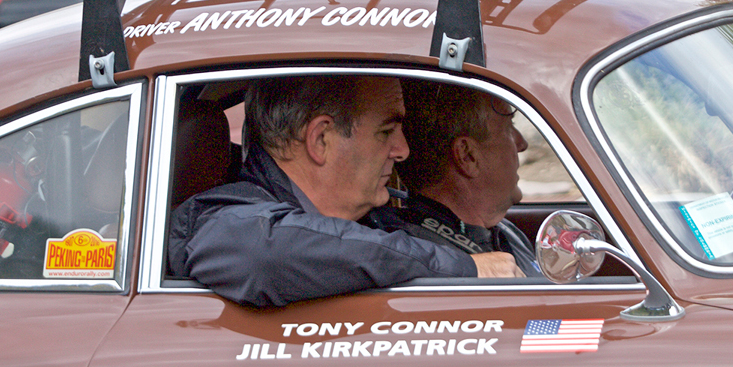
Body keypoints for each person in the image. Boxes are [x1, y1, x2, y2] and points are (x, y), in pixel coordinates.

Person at [168, 75, 521, 307]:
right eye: (386, 132)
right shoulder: (224, 221)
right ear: (321, 140)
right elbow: (264, 254)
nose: (403, 150)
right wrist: (463, 270)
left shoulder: (380, 221)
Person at [368, 81, 542, 276]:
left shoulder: (506, 232)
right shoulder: (410, 247)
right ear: (467, 156)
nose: (522, 144)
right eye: (509, 128)